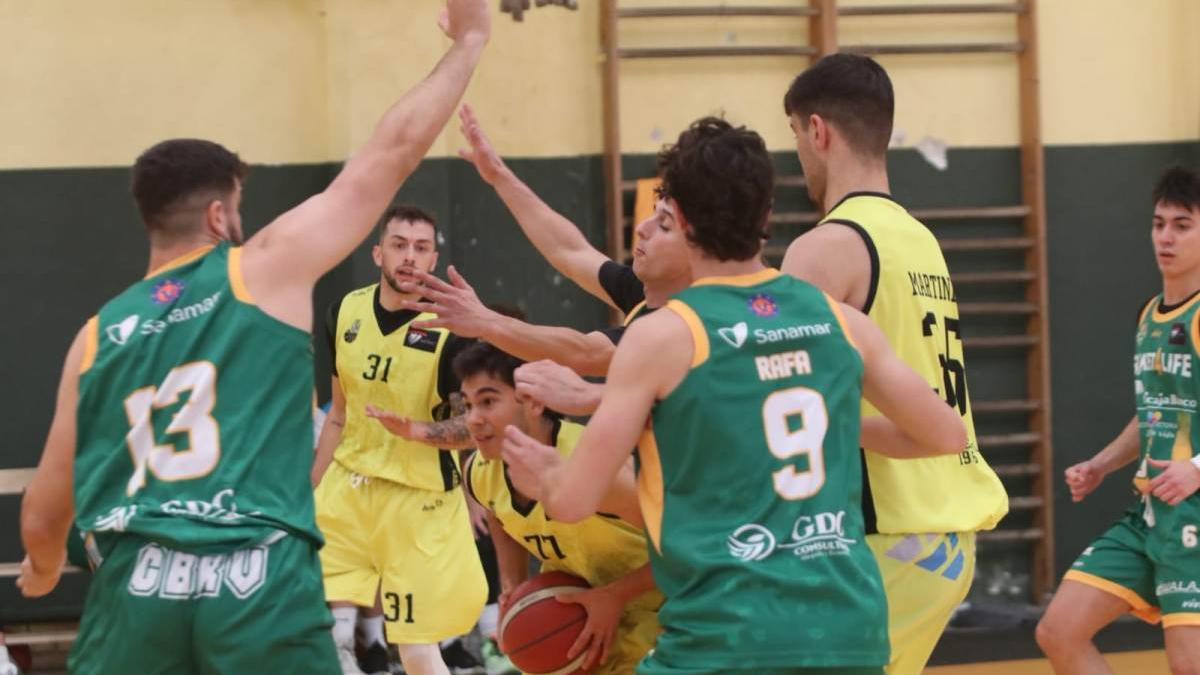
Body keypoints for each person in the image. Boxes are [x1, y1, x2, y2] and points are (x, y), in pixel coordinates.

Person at [16, 3, 491, 674]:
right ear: (219, 213)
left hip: (136, 590)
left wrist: (40, 571)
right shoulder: (261, 269)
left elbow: (44, 510)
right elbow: (394, 150)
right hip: (256, 579)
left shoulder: (96, 336)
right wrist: (471, 40)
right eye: (237, 208)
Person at [502, 117, 969, 674]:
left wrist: (546, 473)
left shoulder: (662, 336)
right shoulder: (838, 320)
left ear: (683, 220)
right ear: (766, 216)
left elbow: (575, 500)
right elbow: (945, 434)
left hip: (727, 638)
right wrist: (829, 422)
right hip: (849, 633)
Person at [778, 53, 1009, 675]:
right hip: (943, 532)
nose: (798, 153)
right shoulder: (919, 239)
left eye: (796, 135)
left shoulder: (825, 247)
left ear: (818, 131)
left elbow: (778, 406)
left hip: (889, 533)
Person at [1036, 166, 1200, 675]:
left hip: (1194, 516)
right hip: (1150, 513)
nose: (1165, 237)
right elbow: (1155, 412)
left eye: (1182, 225)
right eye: (1158, 223)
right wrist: (1103, 464)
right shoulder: (1150, 313)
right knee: (1059, 631)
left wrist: (1197, 466)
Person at [312, 205, 489, 675]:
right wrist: (307, 493)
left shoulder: (454, 330)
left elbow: (474, 426)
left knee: (415, 647)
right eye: (399, 244)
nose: (409, 257)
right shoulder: (343, 311)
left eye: (421, 247)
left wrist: (418, 431)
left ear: (434, 260)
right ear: (377, 253)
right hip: (348, 489)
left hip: (417, 502)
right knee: (296, 613)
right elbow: (338, 416)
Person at [401, 105, 690, 376]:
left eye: (663, 225)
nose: (642, 228)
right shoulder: (647, 292)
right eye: (653, 215)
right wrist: (499, 176)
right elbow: (569, 250)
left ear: (699, 247)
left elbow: (586, 353)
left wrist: (486, 322)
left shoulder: (681, 323)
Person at [449, 340, 661, 673]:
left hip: (663, 614)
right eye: (467, 405)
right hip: (579, 616)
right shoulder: (479, 472)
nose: (473, 420)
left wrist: (616, 596)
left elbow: (690, 547)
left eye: (488, 401)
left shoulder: (598, 467)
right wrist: (513, 585)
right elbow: (497, 514)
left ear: (533, 402)